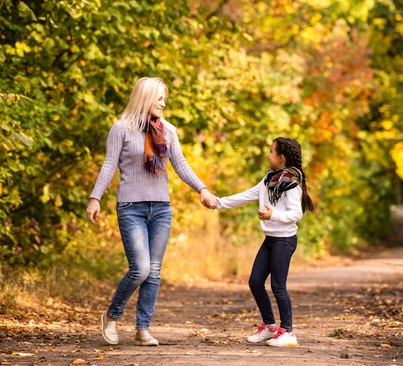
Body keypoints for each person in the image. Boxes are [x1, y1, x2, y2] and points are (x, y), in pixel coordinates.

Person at [86, 77, 219, 347]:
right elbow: (109, 165)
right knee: (141, 269)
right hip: (131, 207)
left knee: (155, 271)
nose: (163, 102)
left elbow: (181, 165)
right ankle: (111, 316)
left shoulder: (168, 130)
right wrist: (95, 197)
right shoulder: (121, 128)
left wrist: (202, 189)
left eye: (164, 98)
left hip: (160, 208)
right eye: (159, 97)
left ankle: (142, 328)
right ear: (145, 98)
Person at [217, 137, 314, 348]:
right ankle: (270, 327)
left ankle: (288, 332)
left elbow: (295, 214)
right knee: (255, 282)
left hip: (285, 241)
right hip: (270, 240)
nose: (268, 155)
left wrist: (273, 215)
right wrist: (219, 203)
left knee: (278, 286)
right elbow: (247, 195)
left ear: (281, 158)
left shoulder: (290, 183)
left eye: (271, 152)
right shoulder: (269, 178)